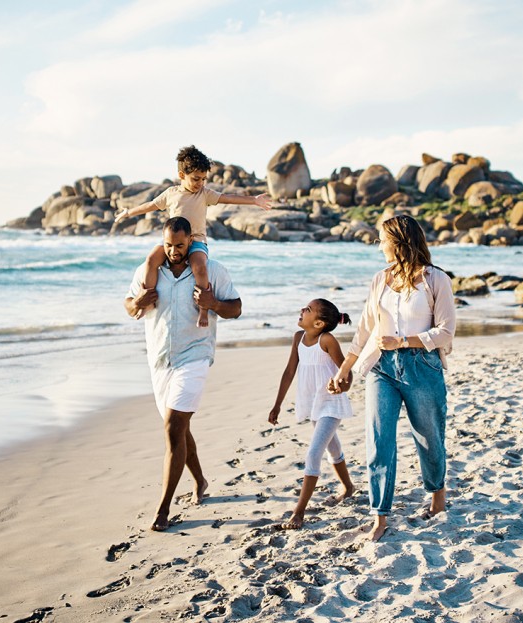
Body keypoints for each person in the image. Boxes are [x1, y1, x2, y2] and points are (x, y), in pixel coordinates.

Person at [328, 215, 456, 542]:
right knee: (379, 439)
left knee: (429, 438)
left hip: (421, 367)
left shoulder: (436, 279)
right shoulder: (380, 280)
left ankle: (437, 495)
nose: (378, 245)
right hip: (382, 367)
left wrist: (404, 342)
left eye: (382, 239)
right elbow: (365, 329)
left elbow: (445, 332)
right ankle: (380, 515)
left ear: (399, 241)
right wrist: (345, 368)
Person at [123, 216, 242, 532]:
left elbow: (237, 308)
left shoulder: (211, 269)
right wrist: (137, 302)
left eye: (179, 245)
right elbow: (128, 304)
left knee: (174, 426)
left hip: (195, 357)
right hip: (160, 360)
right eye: (168, 245)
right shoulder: (149, 271)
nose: (173, 251)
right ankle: (200, 480)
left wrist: (213, 302)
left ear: (191, 240)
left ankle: (163, 509)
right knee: (179, 429)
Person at [115, 145, 277, 327]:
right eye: (196, 179)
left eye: (203, 179)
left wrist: (254, 200)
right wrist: (128, 212)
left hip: (197, 241)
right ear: (182, 175)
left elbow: (228, 198)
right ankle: (147, 301)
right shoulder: (171, 194)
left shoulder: (204, 194)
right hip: (173, 242)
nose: (200, 183)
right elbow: (150, 205)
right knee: (151, 260)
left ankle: (203, 311)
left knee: (199, 267)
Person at [267, 299, 358, 529]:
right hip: (314, 403)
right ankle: (348, 487)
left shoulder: (326, 340)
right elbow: (289, 371)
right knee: (333, 447)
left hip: (331, 404)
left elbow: (346, 373)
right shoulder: (298, 338)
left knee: (313, 454)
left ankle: (299, 512)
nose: (302, 310)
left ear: (318, 323)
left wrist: (341, 387)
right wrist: (277, 404)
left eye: (307, 309)